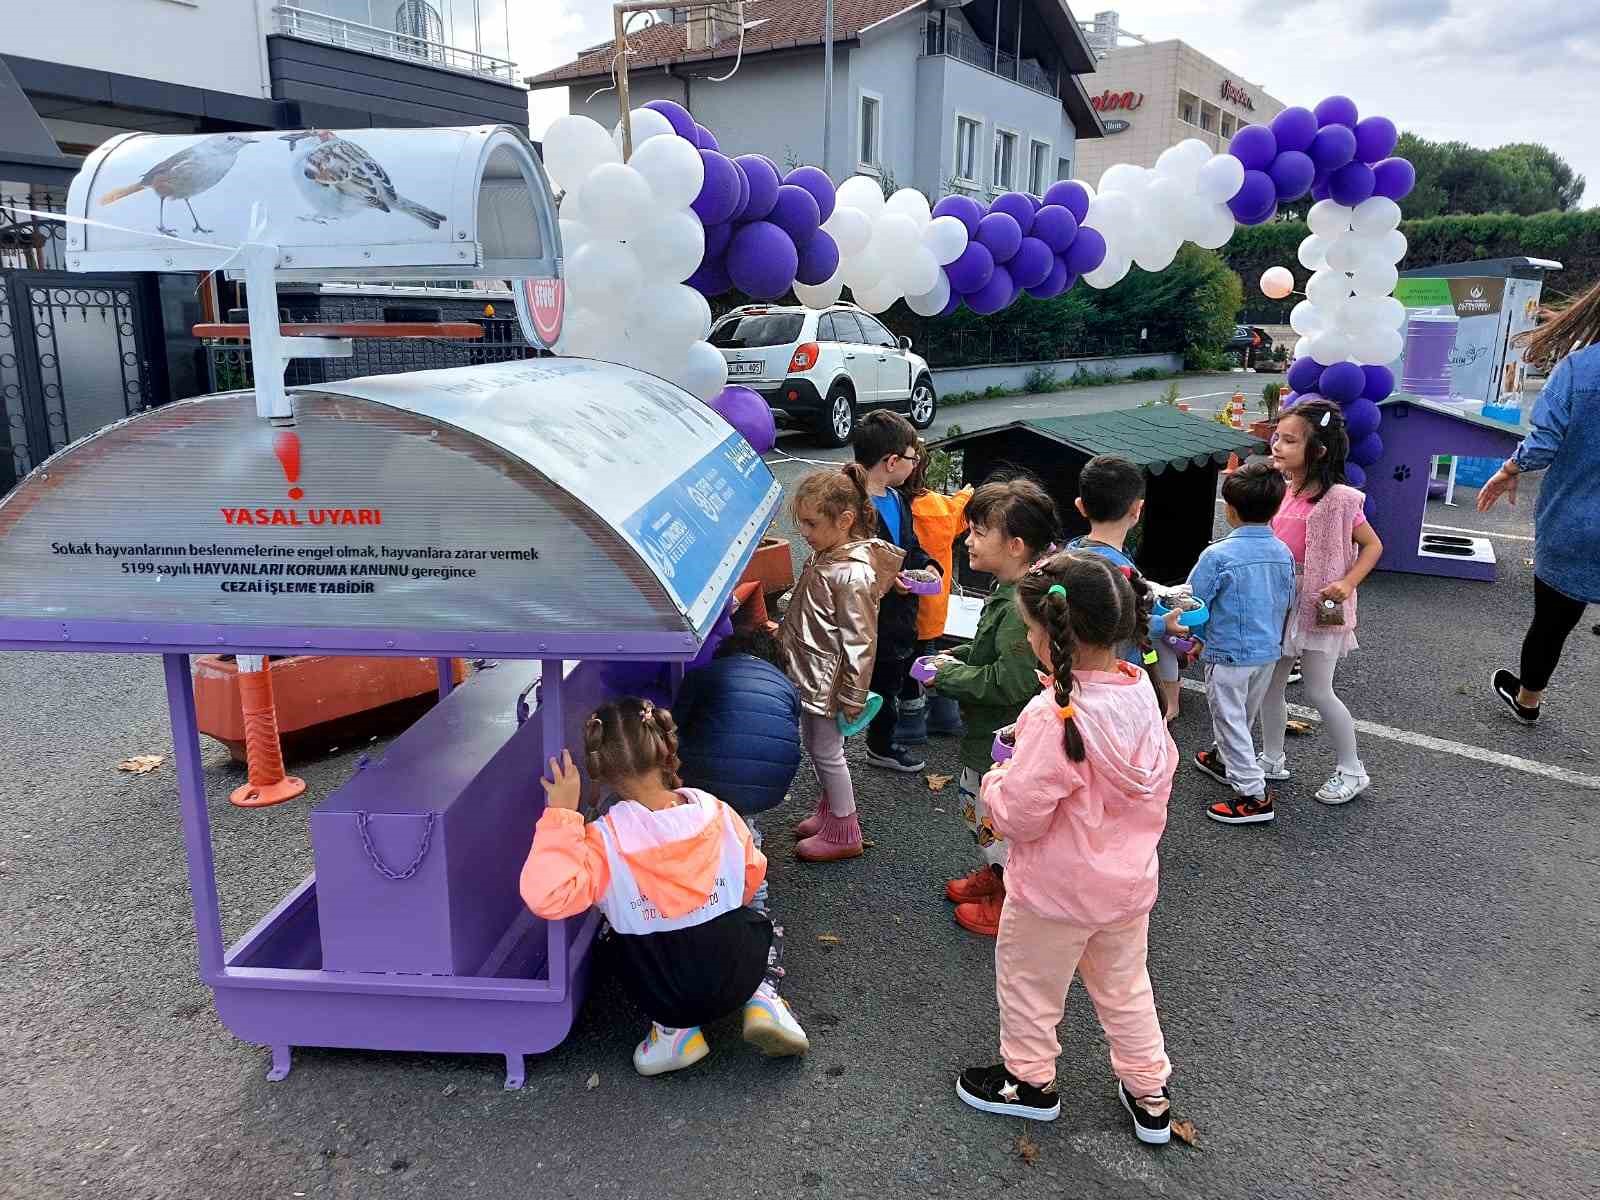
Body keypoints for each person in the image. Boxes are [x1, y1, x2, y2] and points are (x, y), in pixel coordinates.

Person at [955, 552, 1177, 1144]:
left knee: (1030, 983)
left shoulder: (1054, 716)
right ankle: (1149, 1092)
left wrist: (1001, 776)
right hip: (1126, 887)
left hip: (1053, 891)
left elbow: (1018, 818)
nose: (1029, 638)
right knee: (1126, 986)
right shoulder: (1141, 695)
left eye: (1030, 629)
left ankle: (1029, 1084)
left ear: (1052, 634)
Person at [519, 698, 803, 1077]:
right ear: (666, 747)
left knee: (610, 929)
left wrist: (561, 816)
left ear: (599, 768)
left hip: (661, 987)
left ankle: (675, 1032)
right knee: (760, 917)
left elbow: (547, 897)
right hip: (738, 969)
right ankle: (763, 998)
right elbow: (752, 879)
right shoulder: (718, 812)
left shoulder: (602, 841)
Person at [925, 477, 1059, 937]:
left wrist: (944, 676)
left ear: (1017, 546)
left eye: (980, 532)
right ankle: (997, 873)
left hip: (1003, 741)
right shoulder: (1014, 591)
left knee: (995, 814)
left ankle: (1009, 895)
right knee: (980, 810)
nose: (968, 539)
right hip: (993, 734)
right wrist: (955, 657)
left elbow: (1010, 681)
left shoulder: (1021, 605)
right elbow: (991, 655)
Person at [672, 627, 807, 1048]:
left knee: (696, 853)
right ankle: (763, 984)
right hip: (766, 785)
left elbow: (676, 729)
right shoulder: (785, 684)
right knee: (745, 842)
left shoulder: (703, 676)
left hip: (704, 781)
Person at [1476, 284, 1600, 724]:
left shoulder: (1580, 369)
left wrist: (1510, 468)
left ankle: (1528, 700)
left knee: (1552, 623)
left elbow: (1543, 444)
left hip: (1575, 524)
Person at [1259, 399, 1383, 805]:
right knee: (1269, 686)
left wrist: (1347, 583)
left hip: (1317, 605)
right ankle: (1272, 758)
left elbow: (1372, 546)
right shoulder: (1279, 489)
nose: (1277, 445)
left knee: (1318, 690)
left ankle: (1353, 769)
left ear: (1319, 451)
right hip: (1279, 601)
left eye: (1289, 440)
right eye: (1277, 437)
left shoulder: (1341, 499)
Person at [778, 465, 903, 862]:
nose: (805, 533)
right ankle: (830, 810)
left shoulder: (852, 573)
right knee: (817, 747)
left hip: (829, 682)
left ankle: (845, 828)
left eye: (812, 523)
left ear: (845, 520)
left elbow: (861, 640)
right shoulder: (828, 556)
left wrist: (853, 694)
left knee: (828, 751)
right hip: (813, 674)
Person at [1173, 463, 1296, 824]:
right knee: (1244, 713)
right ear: (1275, 507)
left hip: (1229, 652)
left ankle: (1254, 795)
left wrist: (1192, 638)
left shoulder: (1218, 555)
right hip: (1267, 649)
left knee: (1230, 718)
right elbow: (1287, 598)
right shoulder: (1283, 551)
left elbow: (1193, 603)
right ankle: (1223, 758)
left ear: (1229, 509)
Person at [851, 410, 941, 773]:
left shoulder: (897, 498)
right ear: (891, 461)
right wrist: (889, 583)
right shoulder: (853, 506)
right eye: (912, 456)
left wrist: (928, 563)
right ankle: (859, 745)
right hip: (869, 617)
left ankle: (880, 742)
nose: (915, 463)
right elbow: (845, 565)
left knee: (890, 679)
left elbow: (911, 546)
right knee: (867, 682)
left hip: (899, 619)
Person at [1064, 455, 1173, 717]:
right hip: (1112, 679)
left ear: (1080, 506)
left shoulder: (1069, 554)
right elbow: (1120, 625)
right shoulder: (1116, 568)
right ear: (1137, 509)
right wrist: (1163, 625)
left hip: (1072, 671)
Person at [894, 440, 973, 745]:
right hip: (935, 608)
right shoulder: (941, 507)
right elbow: (960, 512)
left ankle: (911, 723)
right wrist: (966, 492)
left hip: (904, 607)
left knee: (910, 667)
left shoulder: (895, 506)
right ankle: (946, 715)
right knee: (934, 658)